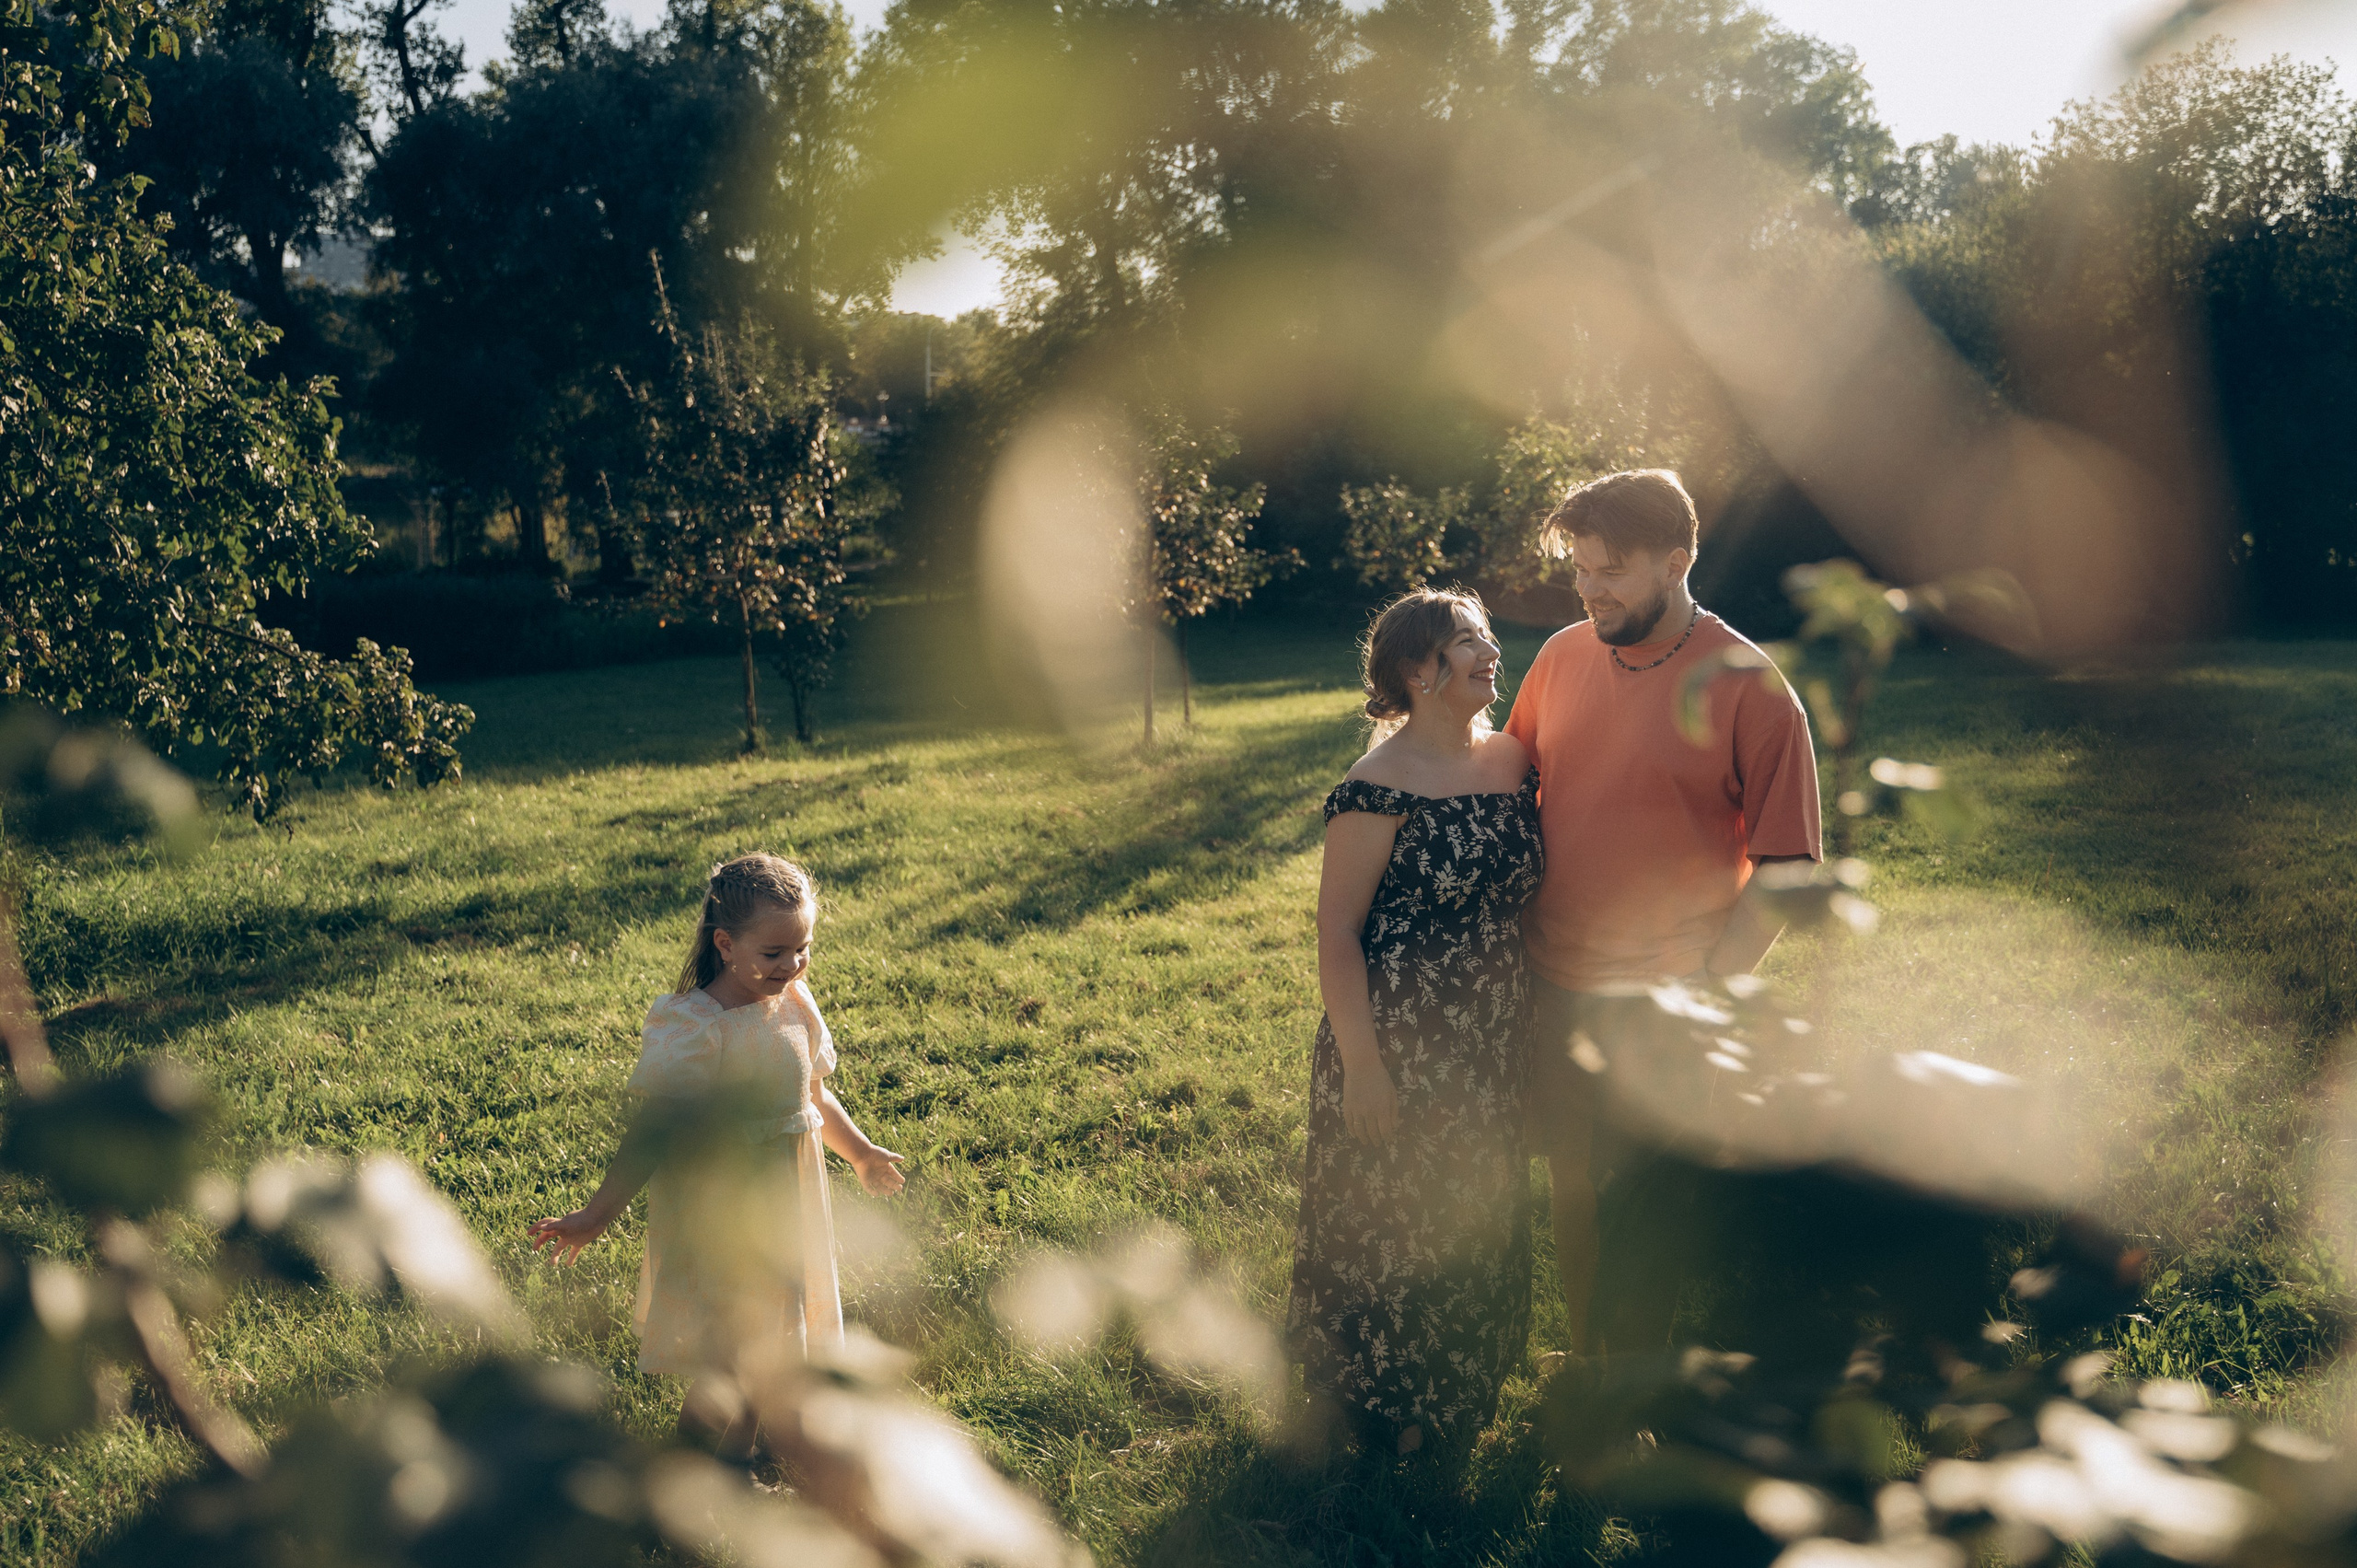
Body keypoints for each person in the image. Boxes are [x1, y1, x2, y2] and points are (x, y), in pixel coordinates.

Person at [1503, 469, 1822, 1356]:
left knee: (1646, 1204)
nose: (1588, 588)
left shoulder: (1753, 689)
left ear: (1677, 559)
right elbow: (1507, 780)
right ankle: (1585, 1360)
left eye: (1610, 570)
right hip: (1552, 979)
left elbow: (1789, 865)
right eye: (1579, 568)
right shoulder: (1563, 654)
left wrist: (1711, 987)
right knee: (1572, 1185)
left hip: (1668, 996)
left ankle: (1630, 1385)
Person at [528, 853, 905, 1462]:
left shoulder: (797, 1005)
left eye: (802, 947)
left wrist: (859, 1153)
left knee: (776, 1337)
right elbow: (655, 1127)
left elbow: (813, 1095)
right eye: (774, 953)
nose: (793, 964)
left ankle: (739, 1456)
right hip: (725, 1209)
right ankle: (690, 1460)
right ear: (726, 944)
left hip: (786, 1204)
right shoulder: (697, 1024)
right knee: (737, 1349)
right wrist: (597, 1214)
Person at [1285, 588, 1545, 1460]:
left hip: (1495, 1038)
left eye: (1485, 635)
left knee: (1482, 1209)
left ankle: (1467, 1385)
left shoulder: (1516, 761)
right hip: (1400, 1043)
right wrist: (1363, 1065)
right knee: (1404, 1224)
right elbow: (1337, 933)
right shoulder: (1372, 789)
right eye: (1467, 640)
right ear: (1417, 670)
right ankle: (1391, 1411)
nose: (1490, 652)